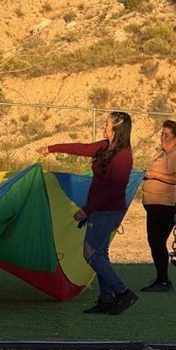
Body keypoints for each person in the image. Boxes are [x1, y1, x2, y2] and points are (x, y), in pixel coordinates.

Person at [41, 110, 136, 315]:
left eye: (107, 123)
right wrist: (52, 148)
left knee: (90, 252)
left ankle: (123, 292)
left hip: (108, 211)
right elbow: (81, 148)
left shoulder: (123, 156)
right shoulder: (104, 147)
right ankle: (106, 299)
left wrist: (87, 210)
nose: (104, 126)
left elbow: (116, 189)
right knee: (100, 253)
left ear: (116, 128)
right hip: (99, 209)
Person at [140, 119, 176, 292]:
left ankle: (163, 281)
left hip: (166, 206)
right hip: (153, 205)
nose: (163, 137)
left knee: (158, 241)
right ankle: (161, 278)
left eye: (167, 135)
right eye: (162, 134)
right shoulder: (161, 154)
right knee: (154, 241)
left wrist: (153, 174)